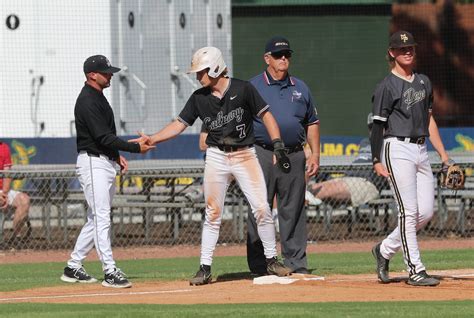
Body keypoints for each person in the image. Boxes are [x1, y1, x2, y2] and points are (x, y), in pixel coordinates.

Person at [131, 46, 292, 285]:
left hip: (245, 155)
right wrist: (153, 138)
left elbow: (266, 116)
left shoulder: (243, 88)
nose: (198, 77)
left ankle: (271, 260)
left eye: (201, 72)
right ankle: (204, 268)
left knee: (262, 209)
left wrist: (277, 144)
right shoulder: (199, 98)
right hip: (217, 156)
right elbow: (179, 124)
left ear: (215, 68)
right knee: (213, 213)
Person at [60, 55, 153, 288]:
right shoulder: (87, 101)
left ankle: (73, 266)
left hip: (103, 161)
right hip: (93, 163)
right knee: (102, 217)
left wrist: (115, 155)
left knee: (96, 217)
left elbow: (101, 137)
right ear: (92, 75)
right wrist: (133, 148)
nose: (110, 74)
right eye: (105, 72)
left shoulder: (98, 97)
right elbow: (102, 137)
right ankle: (109, 271)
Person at [370, 31, 452, 287]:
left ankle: (384, 249)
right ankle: (415, 269)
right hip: (397, 148)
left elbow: (429, 121)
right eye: (402, 48)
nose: (407, 51)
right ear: (392, 53)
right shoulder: (386, 86)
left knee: (425, 213)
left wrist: (444, 156)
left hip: (420, 149)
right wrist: (376, 159)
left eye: (411, 48)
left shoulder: (424, 82)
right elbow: (377, 127)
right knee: (409, 211)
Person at [246, 36, 320, 275]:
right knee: (260, 208)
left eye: (287, 54)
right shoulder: (253, 86)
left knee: (294, 209)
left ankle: (296, 263)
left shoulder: (300, 87)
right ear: (267, 58)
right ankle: (260, 265)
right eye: (278, 55)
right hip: (262, 152)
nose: (284, 58)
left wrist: (315, 153)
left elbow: (312, 122)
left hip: (294, 153)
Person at [307, 113, 387, 207]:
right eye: (371, 127)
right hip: (348, 178)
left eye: (377, 128)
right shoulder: (365, 142)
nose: (373, 131)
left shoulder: (387, 145)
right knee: (311, 186)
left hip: (367, 183)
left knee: (313, 191)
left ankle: (298, 205)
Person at [0, 141, 31, 243]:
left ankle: (16, 237)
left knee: (24, 200)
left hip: (3, 190)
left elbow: (7, 173)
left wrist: (4, 194)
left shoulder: (4, 147)